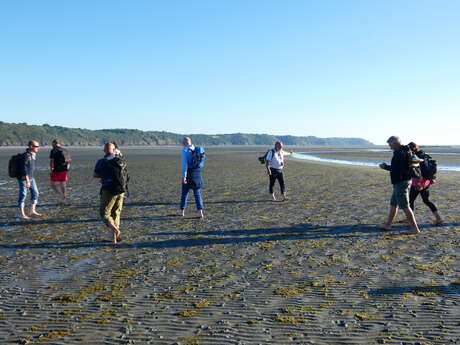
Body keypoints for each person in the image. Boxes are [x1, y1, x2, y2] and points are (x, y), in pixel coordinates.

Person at [379, 136, 420, 234]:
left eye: (390, 144)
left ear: (395, 143)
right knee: (393, 203)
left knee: (405, 206)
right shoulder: (406, 150)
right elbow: (400, 168)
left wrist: (385, 167)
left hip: (401, 182)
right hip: (402, 181)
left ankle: (414, 228)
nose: (389, 146)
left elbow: (397, 169)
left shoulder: (399, 153)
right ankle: (388, 224)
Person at [93, 142, 125, 244]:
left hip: (109, 190)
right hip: (121, 190)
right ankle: (114, 238)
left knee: (104, 213)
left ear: (104, 150)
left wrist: (104, 176)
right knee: (116, 213)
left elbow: (95, 175)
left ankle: (116, 231)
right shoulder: (121, 160)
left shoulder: (101, 161)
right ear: (114, 150)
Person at [408, 142, 443, 225]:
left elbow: (420, 171)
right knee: (426, 200)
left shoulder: (416, 156)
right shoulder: (424, 155)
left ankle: (409, 218)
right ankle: (439, 218)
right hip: (426, 182)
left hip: (418, 182)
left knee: (410, 201)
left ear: (411, 149)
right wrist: (431, 179)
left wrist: (419, 182)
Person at [180, 137, 204, 218]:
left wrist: (184, 177)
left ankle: (182, 212)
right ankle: (200, 213)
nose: (182, 143)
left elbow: (184, 165)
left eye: (182, 142)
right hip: (197, 173)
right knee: (197, 194)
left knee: (185, 193)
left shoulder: (185, 150)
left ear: (185, 142)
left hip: (189, 174)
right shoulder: (196, 149)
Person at [17, 140, 41, 219]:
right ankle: (22, 214)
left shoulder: (32, 155)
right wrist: (27, 180)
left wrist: (30, 179)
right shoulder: (26, 155)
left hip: (31, 178)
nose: (38, 148)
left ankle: (32, 211)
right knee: (23, 195)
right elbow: (24, 169)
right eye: (36, 146)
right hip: (24, 179)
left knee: (35, 193)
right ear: (31, 146)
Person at [49, 139, 71, 205]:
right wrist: (67, 169)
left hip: (56, 170)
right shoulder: (65, 150)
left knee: (52, 185)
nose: (52, 145)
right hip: (64, 170)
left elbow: (51, 161)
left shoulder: (53, 150)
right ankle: (63, 199)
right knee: (63, 184)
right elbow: (69, 161)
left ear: (54, 143)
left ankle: (61, 195)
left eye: (52, 144)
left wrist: (51, 170)